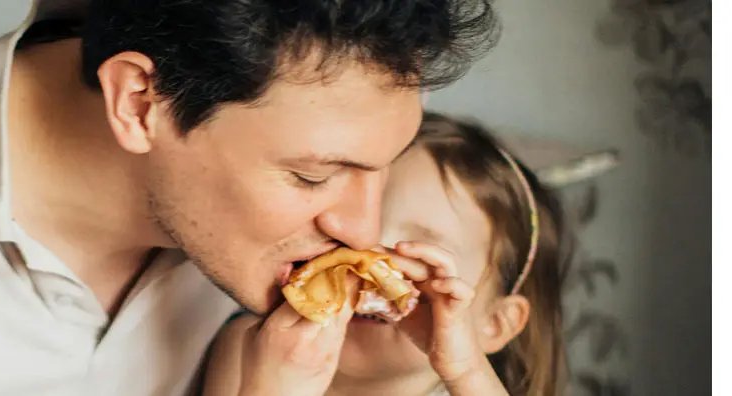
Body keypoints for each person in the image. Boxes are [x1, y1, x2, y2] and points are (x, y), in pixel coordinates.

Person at [0, 0, 498, 394]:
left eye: (382, 168)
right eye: (313, 177)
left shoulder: (271, 263)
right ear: (138, 101)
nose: (359, 226)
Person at [202, 112, 570, 396]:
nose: (370, 261)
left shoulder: (464, 384)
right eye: (361, 233)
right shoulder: (251, 350)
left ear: (494, 324)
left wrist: (466, 370)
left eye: (422, 259)